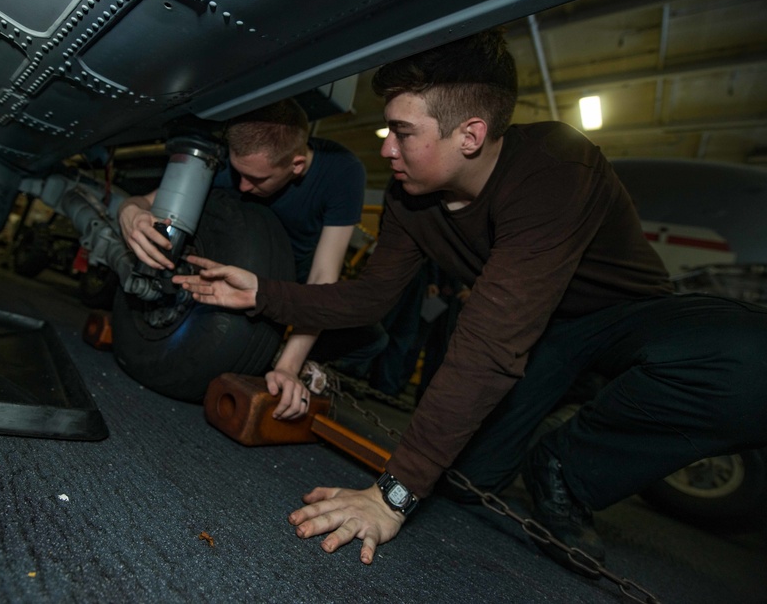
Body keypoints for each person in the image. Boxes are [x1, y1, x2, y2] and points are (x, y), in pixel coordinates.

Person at [172, 30, 767, 574]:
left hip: (623, 318)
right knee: (465, 481)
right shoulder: (412, 199)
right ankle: (538, 453)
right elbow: (370, 296)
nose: (387, 150)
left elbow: (490, 342)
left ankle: (572, 465)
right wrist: (263, 293)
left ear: (471, 135)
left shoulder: (557, 166)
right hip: (542, 342)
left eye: (402, 133)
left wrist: (392, 494)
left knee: (751, 362)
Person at [118, 98, 377, 420]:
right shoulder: (230, 162)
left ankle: (281, 353)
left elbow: (324, 275)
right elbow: (143, 201)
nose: (243, 186)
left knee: (371, 339)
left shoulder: (341, 171)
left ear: (296, 165)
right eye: (239, 174)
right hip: (219, 274)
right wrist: (130, 213)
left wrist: (287, 368)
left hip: (288, 289)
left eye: (257, 179)